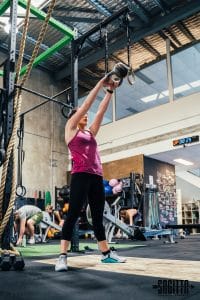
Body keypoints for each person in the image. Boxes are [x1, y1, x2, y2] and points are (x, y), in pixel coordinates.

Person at [55, 76, 126, 272]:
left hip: (96, 176)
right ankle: (62, 256)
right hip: (80, 175)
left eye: (85, 115)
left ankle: (106, 255)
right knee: (72, 215)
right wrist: (101, 82)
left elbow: (100, 111)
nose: (85, 115)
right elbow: (86, 105)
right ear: (74, 116)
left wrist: (110, 91)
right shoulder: (70, 130)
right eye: (81, 114)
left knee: (97, 216)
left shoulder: (90, 133)